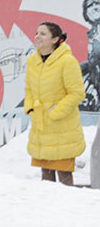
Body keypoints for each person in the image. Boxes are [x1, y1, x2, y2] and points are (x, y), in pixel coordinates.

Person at [25, 22, 86, 185]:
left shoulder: (67, 61)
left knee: (64, 175)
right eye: (37, 32)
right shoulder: (32, 60)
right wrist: (30, 108)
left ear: (55, 39)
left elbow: (77, 93)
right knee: (46, 176)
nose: (38, 36)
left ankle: (68, 209)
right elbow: (29, 88)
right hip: (41, 128)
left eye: (43, 33)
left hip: (62, 127)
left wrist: (55, 112)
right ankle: (47, 209)